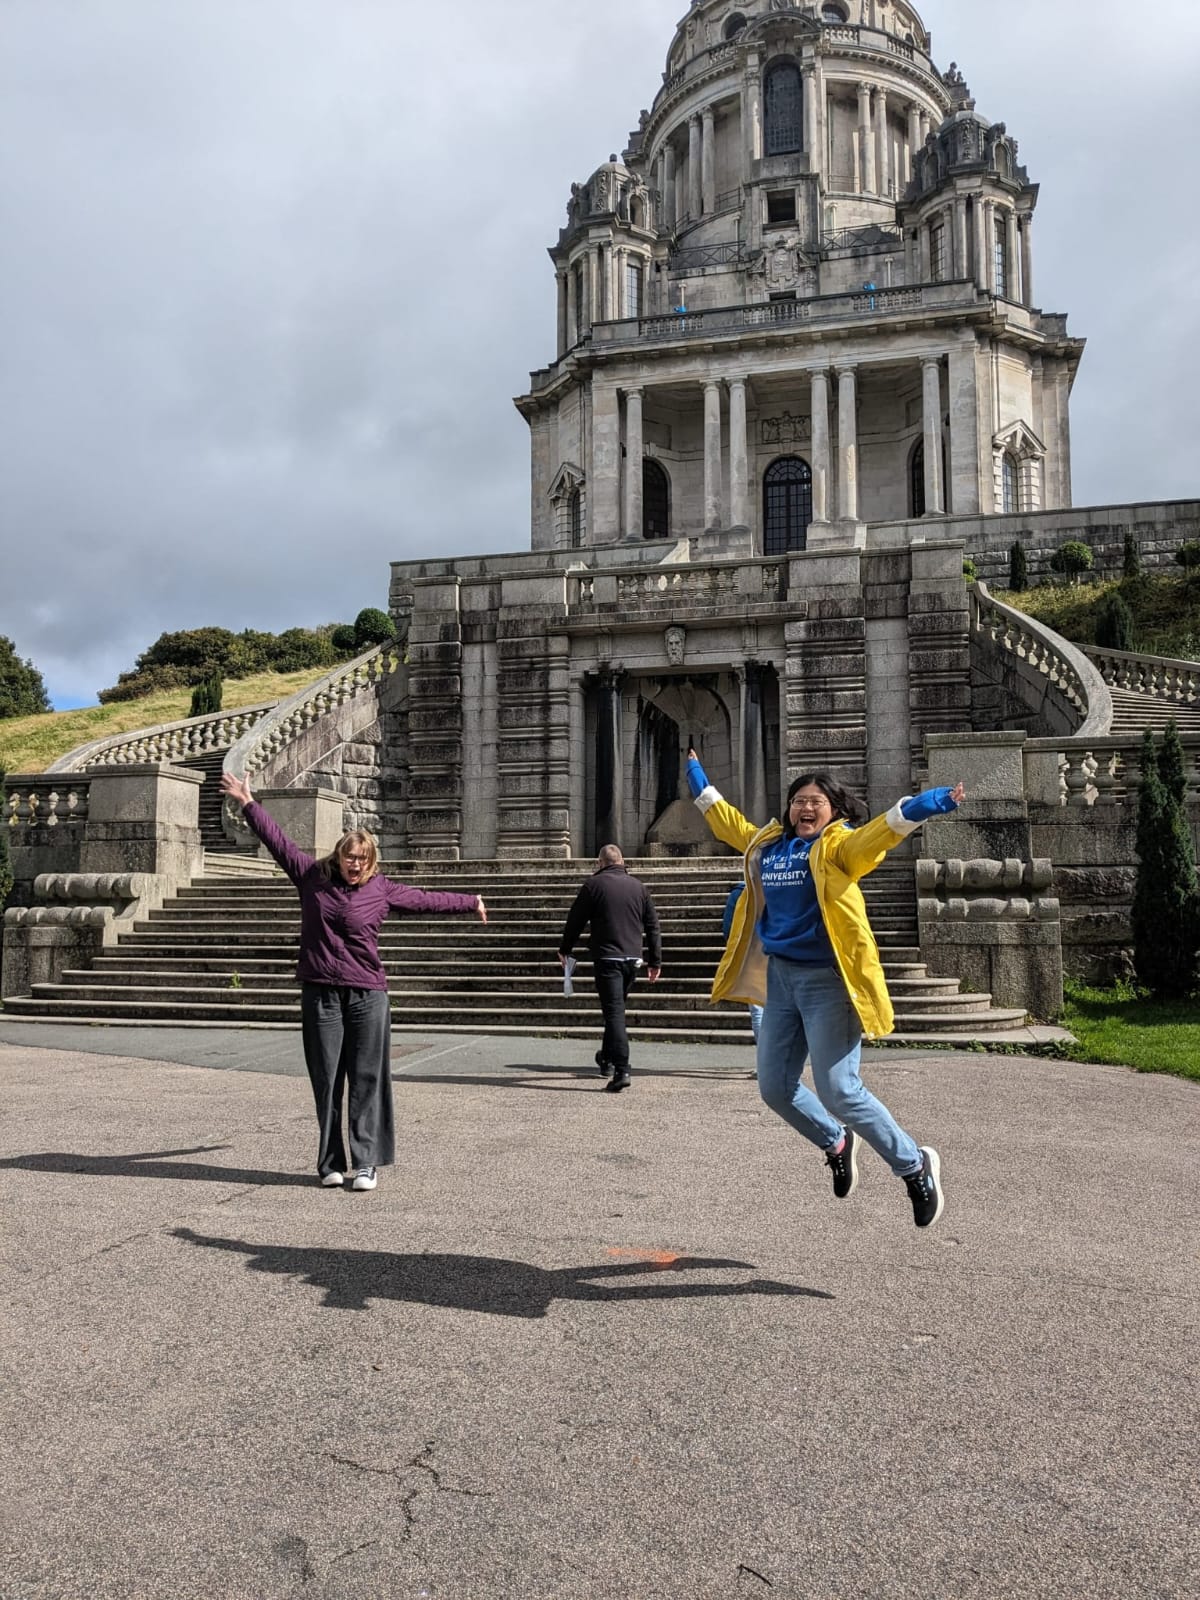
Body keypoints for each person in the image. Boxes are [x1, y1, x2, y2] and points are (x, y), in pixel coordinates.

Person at [685, 749, 965, 1228]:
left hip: (827, 983)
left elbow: (878, 836)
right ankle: (836, 1142)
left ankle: (913, 1164)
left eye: (815, 801)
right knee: (775, 1089)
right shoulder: (768, 845)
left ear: (833, 809)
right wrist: (696, 775)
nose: (805, 808)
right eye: (798, 800)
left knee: (840, 1090)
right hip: (780, 981)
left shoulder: (837, 849)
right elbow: (727, 823)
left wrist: (926, 804)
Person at [220, 771, 487, 1190]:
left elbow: (424, 900)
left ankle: (366, 1162)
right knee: (326, 1080)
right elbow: (279, 843)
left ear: (371, 861)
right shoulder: (312, 878)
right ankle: (330, 1163)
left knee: (367, 1078)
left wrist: (470, 902)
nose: (355, 864)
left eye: (362, 859)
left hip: (367, 995)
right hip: (321, 993)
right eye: (350, 857)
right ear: (339, 856)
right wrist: (248, 802)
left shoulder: (380, 889)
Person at [558, 845, 662, 1094]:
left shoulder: (593, 886)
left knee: (614, 1012)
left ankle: (622, 1069)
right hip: (632, 959)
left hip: (608, 958)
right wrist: (655, 961)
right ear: (622, 861)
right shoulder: (639, 887)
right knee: (615, 1008)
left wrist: (566, 949)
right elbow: (653, 925)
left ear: (600, 863)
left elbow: (576, 920)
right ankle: (605, 1058)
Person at [722, 883, 764, 1045]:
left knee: (758, 1010)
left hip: (749, 955)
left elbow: (728, 929)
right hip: (775, 953)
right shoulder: (775, 886)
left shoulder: (738, 893)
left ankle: (764, 1062)